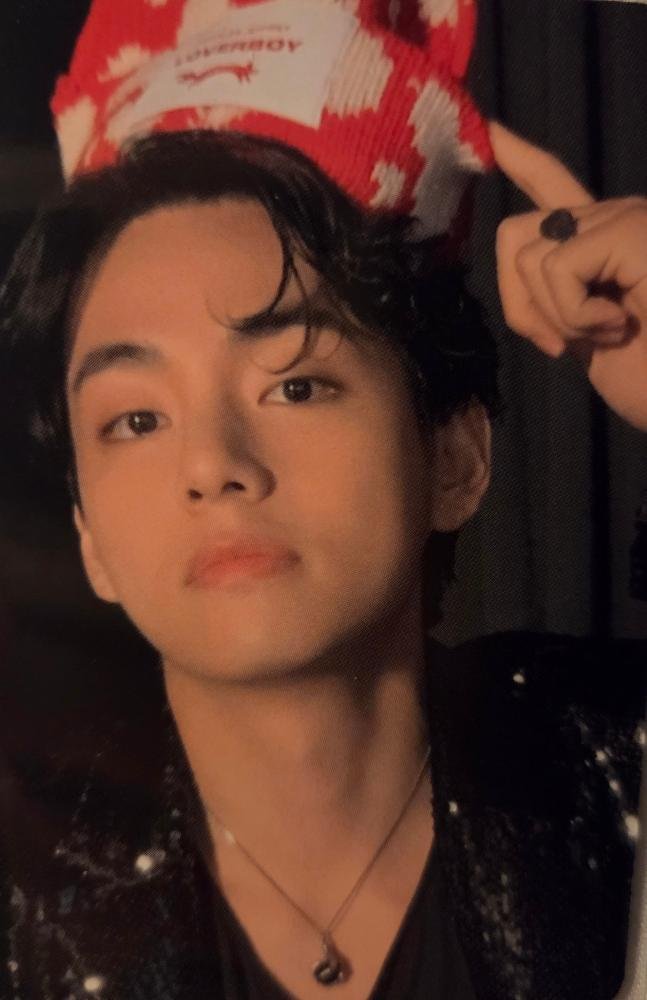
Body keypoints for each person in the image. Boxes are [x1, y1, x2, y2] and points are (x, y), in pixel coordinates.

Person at [0, 2, 646, 998]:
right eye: (135, 418)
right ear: (89, 537)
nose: (213, 465)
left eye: (295, 385)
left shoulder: (614, 770)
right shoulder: (25, 882)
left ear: (453, 456)